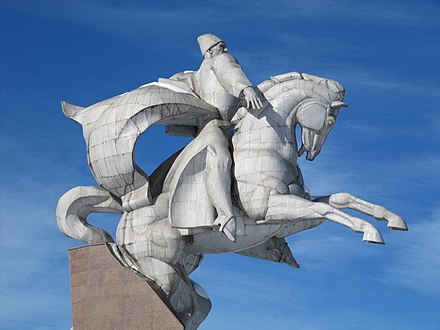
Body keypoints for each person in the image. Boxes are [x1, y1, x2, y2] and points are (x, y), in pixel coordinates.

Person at [193, 34, 263, 241]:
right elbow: (229, 72)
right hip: (213, 126)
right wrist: (246, 88)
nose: (224, 49)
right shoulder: (218, 61)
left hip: (227, 127)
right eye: (219, 46)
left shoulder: (200, 72)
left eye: (223, 46)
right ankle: (225, 215)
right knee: (221, 160)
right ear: (209, 52)